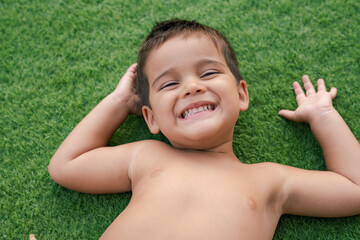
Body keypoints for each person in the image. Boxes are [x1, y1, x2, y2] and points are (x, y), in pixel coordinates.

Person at [48, 19, 360, 239]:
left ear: (240, 94)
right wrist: (118, 102)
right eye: (169, 83)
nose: (192, 87)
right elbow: (66, 166)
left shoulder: (270, 180)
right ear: (151, 117)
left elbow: (354, 189)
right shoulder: (146, 156)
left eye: (208, 72)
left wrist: (323, 116)